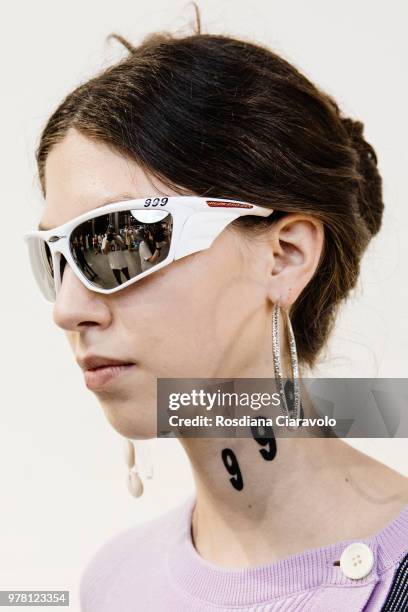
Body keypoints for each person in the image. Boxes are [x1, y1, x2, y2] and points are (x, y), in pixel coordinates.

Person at [27, 5, 408, 611]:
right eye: (55, 258)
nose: (69, 309)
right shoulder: (114, 585)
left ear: (283, 256)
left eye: (119, 240)